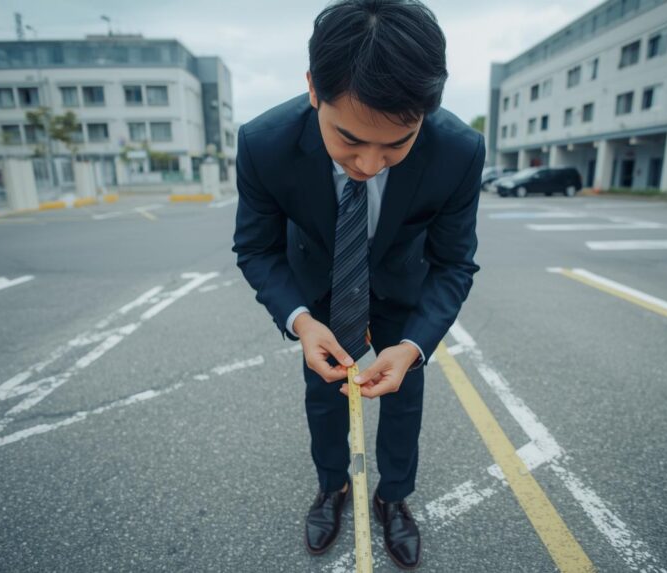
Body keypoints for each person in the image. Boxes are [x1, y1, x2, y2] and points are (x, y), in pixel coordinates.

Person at [232, 0, 483, 568]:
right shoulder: (264, 143)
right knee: (323, 396)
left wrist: (414, 345)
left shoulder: (458, 151)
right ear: (313, 89)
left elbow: (454, 263)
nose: (369, 164)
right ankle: (332, 486)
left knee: (404, 395)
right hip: (318, 288)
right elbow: (256, 247)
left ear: (426, 113)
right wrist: (300, 321)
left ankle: (393, 497)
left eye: (396, 144)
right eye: (349, 140)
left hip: (402, 287)